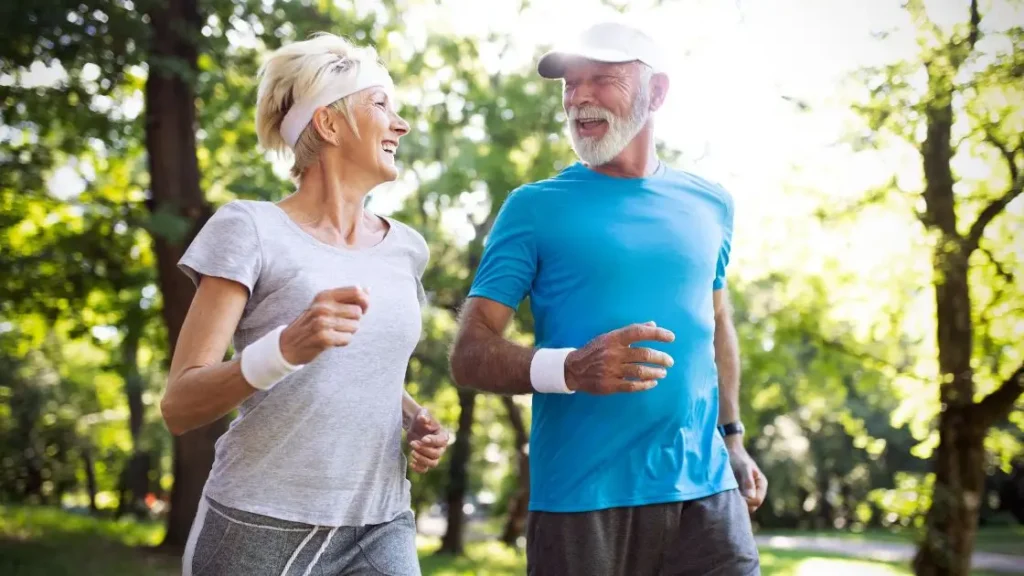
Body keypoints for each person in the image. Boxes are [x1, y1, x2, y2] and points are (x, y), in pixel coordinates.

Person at [449, 21, 766, 576]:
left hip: (705, 489)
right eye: (570, 84)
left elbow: (715, 324)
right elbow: (469, 354)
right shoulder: (533, 208)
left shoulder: (711, 203)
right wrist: (570, 368)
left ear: (657, 92)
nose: (579, 97)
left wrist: (732, 438)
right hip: (581, 498)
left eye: (601, 79)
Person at [160, 33, 449, 576]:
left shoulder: (408, 247)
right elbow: (179, 405)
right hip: (259, 524)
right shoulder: (249, 228)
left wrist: (412, 417)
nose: (401, 124)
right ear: (329, 123)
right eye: (382, 104)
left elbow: (356, 369)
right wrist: (284, 348)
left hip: (382, 520)